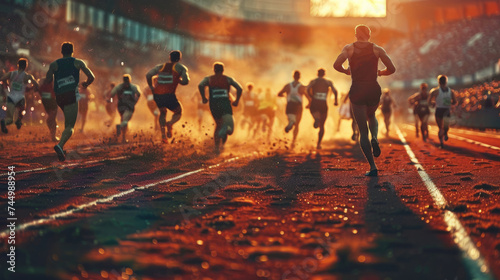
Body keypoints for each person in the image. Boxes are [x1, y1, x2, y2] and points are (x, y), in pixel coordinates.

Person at [333, 24, 396, 176]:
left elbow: (336, 65)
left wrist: (346, 70)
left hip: (357, 88)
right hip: (373, 88)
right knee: (372, 116)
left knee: (362, 130)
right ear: (369, 35)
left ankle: (373, 166)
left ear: (356, 35)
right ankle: (375, 137)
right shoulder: (377, 49)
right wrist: (380, 73)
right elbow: (392, 69)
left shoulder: (349, 49)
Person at [45, 42, 95, 161]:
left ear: (61, 51)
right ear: (73, 51)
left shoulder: (54, 64)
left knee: (67, 121)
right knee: (70, 126)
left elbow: (47, 80)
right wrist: (86, 84)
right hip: (71, 95)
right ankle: (60, 145)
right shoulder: (78, 62)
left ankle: (61, 145)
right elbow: (91, 77)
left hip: (59, 96)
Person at [198, 62, 242, 154]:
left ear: (214, 70)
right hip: (225, 104)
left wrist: (203, 98)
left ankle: (217, 147)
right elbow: (239, 88)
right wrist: (237, 100)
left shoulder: (208, 79)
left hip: (214, 105)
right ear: (223, 70)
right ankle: (223, 145)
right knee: (228, 127)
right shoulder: (228, 79)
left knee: (218, 125)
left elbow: (200, 85)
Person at [146, 50, 189, 142]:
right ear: (179, 58)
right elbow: (186, 81)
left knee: (162, 112)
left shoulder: (160, 66)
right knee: (178, 112)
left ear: (169, 58)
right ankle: (170, 123)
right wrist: (179, 80)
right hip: (169, 95)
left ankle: (163, 136)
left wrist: (151, 87)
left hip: (157, 95)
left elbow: (148, 75)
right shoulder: (181, 68)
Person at [0, 58, 39, 133]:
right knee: (22, 110)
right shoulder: (27, 76)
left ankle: (3, 123)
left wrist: (6, 84)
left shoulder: (11, 74)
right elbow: (36, 84)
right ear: (26, 66)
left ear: (18, 65)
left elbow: (2, 79)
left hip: (10, 98)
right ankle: (19, 120)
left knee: (10, 120)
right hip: (20, 98)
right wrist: (34, 88)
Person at [307, 68, 338, 149]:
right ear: (324, 74)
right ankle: (318, 144)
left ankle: (316, 118)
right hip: (323, 103)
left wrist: (311, 97)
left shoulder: (313, 81)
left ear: (317, 74)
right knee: (322, 126)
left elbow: (307, 89)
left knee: (313, 111)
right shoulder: (328, 82)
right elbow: (335, 91)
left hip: (315, 102)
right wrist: (336, 101)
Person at [277, 70, 309, 147]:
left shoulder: (288, 86)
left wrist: (285, 96)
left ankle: (291, 122)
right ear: (299, 77)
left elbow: (279, 94)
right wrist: (309, 104)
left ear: (293, 76)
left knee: (291, 119)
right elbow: (308, 97)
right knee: (297, 125)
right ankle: (293, 141)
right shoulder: (301, 86)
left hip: (289, 105)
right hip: (298, 106)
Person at [109, 74, 141, 143]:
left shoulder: (119, 87)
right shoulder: (133, 87)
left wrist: (111, 102)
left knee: (123, 119)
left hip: (121, 106)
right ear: (130, 80)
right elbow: (139, 94)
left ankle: (122, 135)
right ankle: (122, 132)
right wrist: (135, 102)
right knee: (125, 120)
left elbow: (111, 94)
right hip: (128, 106)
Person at [429, 75, 457, 148]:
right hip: (446, 110)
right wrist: (450, 103)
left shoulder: (435, 91)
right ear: (446, 81)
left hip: (439, 110)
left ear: (438, 81)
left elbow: (429, 101)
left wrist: (432, 103)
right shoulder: (451, 91)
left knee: (441, 127)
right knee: (445, 127)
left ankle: (441, 142)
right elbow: (455, 102)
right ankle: (443, 137)